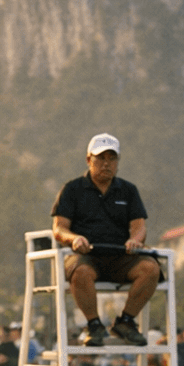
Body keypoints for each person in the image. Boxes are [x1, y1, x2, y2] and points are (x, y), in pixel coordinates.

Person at [50, 133, 157, 347]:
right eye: (101, 158)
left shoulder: (128, 190)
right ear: (89, 160)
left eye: (112, 158)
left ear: (118, 162)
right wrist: (74, 239)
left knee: (151, 269)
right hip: (84, 256)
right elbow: (59, 228)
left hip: (121, 257)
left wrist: (135, 241)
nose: (106, 164)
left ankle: (126, 321)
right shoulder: (72, 189)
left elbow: (139, 227)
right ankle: (94, 325)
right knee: (80, 273)